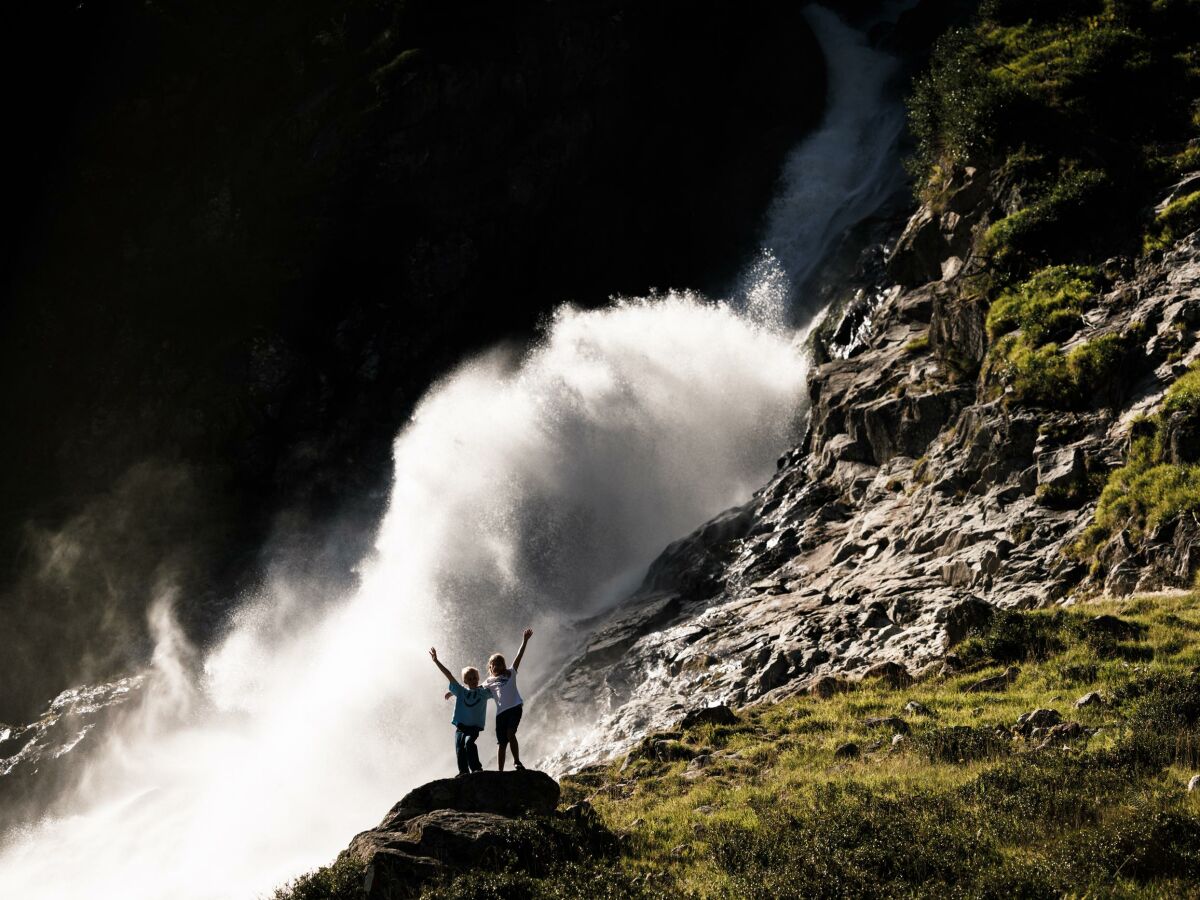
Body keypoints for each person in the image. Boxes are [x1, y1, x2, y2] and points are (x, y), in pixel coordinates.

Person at [428, 647, 491, 776]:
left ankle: (476, 769)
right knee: (459, 747)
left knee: (469, 743)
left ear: (478, 679)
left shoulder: (483, 693)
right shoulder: (461, 691)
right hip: (461, 726)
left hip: (474, 727)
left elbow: (495, 684)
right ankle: (463, 771)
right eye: (470, 678)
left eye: (475, 678)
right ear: (465, 681)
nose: (473, 680)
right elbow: (449, 675)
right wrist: (436, 661)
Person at [484, 628, 533, 771]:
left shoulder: (511, 673)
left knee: (511, 734)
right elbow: (474, 689)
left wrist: (524, 641)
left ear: (504, 665)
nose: (498, 666)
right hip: (501, 714)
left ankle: (517, 762)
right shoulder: (488, 682)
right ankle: (500, 771)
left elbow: (519, 656)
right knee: (501, 743)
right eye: (495, 664)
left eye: (500, 663)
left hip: (515, 708)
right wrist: (455, 693)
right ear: (490, 667)